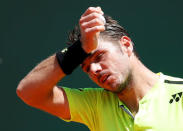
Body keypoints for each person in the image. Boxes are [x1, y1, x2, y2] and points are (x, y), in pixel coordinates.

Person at [16, 7, 183, 131]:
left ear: (126, 45)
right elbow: (28, 91)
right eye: (86, 67)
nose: (93, 70)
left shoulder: (179, 92)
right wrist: (77, 50)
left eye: (99, 56)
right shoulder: (94, 104)